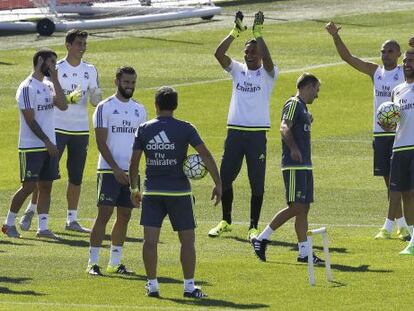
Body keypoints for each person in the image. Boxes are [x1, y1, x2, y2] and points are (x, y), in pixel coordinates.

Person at [129, 86, 221, 298]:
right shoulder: (186, 128)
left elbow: (133, 163)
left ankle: (152, 285)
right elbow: (205, 155)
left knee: (150, 241)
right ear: (175, 106)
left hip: (152, 193)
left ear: (156, 105)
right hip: (179, 193)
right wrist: (218, 183)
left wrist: (134, 189)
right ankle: (189, 287)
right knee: (187, 241)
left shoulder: (144, 128)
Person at [325, 21, 410, 241]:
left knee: (398, 183)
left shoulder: (405, 72)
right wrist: (335, 36)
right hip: (380, 134)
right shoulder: (375, 71)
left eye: (390, 51)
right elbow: (348, 58)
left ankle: (391, 226)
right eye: (383, 51)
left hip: (400, 134)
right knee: (390, 183)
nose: (385, 54)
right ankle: (400, 225)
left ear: (399, 54)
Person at [19, 29, 102, 233]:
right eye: (78, 43)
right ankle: (31, 209)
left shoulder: (90, 70)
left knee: (76, 176)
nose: (82, 48)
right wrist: (68, 98)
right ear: (68, 45)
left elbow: (95, 99)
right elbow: (49, 97)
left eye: (84, 44)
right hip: (56, 128)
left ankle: (71, 220)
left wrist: (95, 96)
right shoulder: (56, 69)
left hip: (80, 129)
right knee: (45, 176)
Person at [209, 11, 278, 241]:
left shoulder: (268, 74)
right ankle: (226, 221)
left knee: (256, 182)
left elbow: (268, 61)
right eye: (247, 51)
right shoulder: (238, 70)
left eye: (253, 51)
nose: (249, 55)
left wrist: (258, 35)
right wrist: (235, 32)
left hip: (257, 134)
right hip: (235, 132)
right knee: (225, 178)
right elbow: (219, 54)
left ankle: (253, 227)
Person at [251, 73, 323, 263]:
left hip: (305, 166)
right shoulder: (293, 104)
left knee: (304, 208)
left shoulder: (303, 109)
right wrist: (293, 148)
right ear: (308, 87)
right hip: (295, 166)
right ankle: (261, 238)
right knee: (296, 206)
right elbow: (284, 127)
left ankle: (304, 252)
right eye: (316, 90)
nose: (317, 95)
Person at [86, 66, 146, 276]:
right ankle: (92, 263)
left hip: (132, 173)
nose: (129, 86)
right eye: (126, 82)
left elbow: (141, 146)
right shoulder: (104, 107)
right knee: (104, 213)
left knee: (125, 215)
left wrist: (134, 174)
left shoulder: (140, 110)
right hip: (108, 170)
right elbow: (101, 143)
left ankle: (115, 262)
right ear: (117, 82)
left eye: (133, 83)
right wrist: (114, 169)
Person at [2, 48, 68, 239]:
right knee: (28, 187)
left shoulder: (48, 85)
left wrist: (55, 79)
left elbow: (63, 105)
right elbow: (30, 120)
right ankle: (8, 223)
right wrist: (47, 141)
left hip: (49, 145)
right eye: (52, 63)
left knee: (46, 186)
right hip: (31, 146)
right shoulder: (26, 87)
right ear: (41, 60)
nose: (54, 67)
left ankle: (43, 228)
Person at [386, 49, 414, 255]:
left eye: (412, 60)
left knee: (413, 192)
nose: (407, 64)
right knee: (405, 194)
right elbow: (394, 121)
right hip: (400, 147)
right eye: (405, 61)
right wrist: (387, 124)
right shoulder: (397, 90)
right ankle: (413, 239)